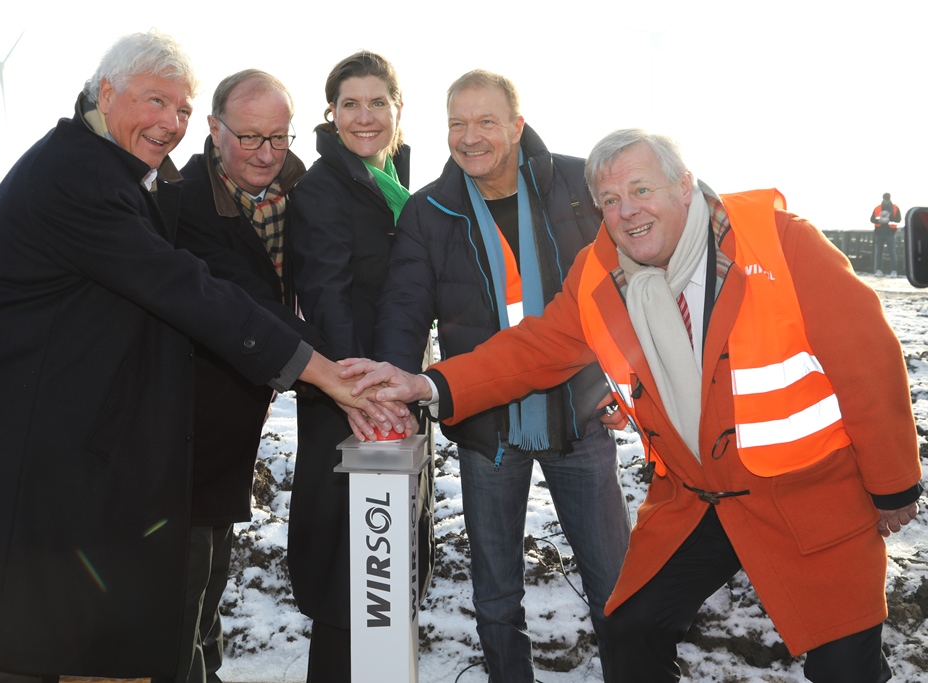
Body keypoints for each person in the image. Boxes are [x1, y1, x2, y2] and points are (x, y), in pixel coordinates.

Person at [0, 31, 403, 683]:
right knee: (13, 640)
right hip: (20, 459)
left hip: (58, 450)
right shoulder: (77, 179)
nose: (170, 121)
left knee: (38, 635)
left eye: (181, 108)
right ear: (106, 93)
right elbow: (189, 287)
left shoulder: (115, 169)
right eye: (156, 101)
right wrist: (325, 371)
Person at [346, 129, 924, 683]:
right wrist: (429, 385)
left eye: (641, 189)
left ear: (684, 185)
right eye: (609, 200)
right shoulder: (601, 271)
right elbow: (534, 349)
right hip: (697, 496)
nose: (626, 211)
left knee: (845, 668)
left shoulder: (778, 240)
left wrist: (893, 483)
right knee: (632, 628)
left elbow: (866, 359)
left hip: (806, 492)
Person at [372, 69, 630, 682]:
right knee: (495, 597)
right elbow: (405, 310)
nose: (470, 137)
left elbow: (631, 287)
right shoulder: (429, 210)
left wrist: (628, 383)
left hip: (579, 412)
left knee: (618, 587)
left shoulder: (581, 186)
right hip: (486, 425)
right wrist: (390, 392)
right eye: (457, 123)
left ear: (517, 125)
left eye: (486, 121)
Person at [165, 69, 325, 683]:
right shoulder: (179, 202)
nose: (265, 153)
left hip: (241, 412)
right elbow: (243, 301)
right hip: (186, 415)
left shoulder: (301, 195)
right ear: (214, 129)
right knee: (183, 579)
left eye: (279, 138)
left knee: (212, 571)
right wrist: (333, 369)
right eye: (250, 137)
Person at [287, 51, 434, 682]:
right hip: (350, 400)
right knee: (350, 564)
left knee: (388, 559)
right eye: (350, 104)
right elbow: (328, 296)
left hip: (395, 391)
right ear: (332, 113)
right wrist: (364, 394)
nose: (364, 116)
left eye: (378, 102)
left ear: (399, 109)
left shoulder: (394, 180)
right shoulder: (323, 188)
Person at [870, 192, 901, 277]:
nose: (886, 201)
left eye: (887, 199)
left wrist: (889, 219)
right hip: (879, 233)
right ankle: (879, 270)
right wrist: (879, 220)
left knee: (892, 252)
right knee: (879, 253)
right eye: (885, 199)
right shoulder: (877, 208)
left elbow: (899, 219)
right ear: (883, 199)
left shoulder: (895, 207)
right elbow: (872, 219)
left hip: (890, 233)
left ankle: (894, 271)